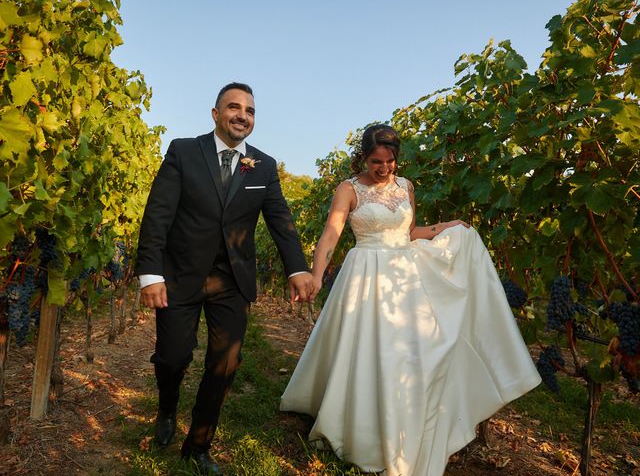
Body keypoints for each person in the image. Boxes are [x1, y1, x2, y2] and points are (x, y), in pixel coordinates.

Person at [280, 124, 541, 476]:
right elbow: (331, 235)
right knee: (368, 349)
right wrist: (316, 273)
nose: (383, 168)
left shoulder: (406, 187)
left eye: (389, 161)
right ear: (363, 158)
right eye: (376, 161)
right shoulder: (349, 189)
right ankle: (361, 426)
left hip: (405, 275)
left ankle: (406, 421)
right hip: (366, 274)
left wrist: (444, 227)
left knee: (408, 353)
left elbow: (410, 231)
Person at [135, 82, 313, 475]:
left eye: (249, 111)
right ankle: (167, 405)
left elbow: (281, 222)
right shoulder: (184, 151)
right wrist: (150, 274)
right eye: (233, 107)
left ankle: (198, 444)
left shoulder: (263, 166)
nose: (242, 115)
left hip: (231, 281)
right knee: (173, 357)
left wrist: (297, 268)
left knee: (225, 363)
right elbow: (158, 214)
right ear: (215, 114)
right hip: (180, 276)